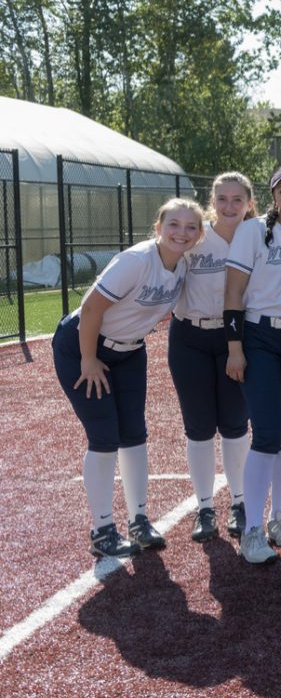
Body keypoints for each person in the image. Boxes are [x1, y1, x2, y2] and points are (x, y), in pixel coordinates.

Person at [54, 198, 204, 557]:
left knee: (134, 434)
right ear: (158, 228)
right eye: (173, 224)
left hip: (130, 352)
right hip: (82, 347)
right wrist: (89, 359)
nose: (181, 233)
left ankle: (139, 520)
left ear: (199, 235)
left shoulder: (183, 265)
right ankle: (102, 529)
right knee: (104, 437)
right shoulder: (136, 261)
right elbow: (91, 308)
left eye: (190, 227)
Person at [224, 164, 281, 564]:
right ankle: (252, 530)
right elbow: (233, 291)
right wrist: (234, 347)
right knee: (266, 433)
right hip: (259, 336)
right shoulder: (251, 230)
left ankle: (279, 517)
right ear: (273, 195)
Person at [169, 173, 255, 543]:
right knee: (199, 427)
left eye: (238, 199)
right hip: (189, 337)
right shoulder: (195, 235)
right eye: (222, 199)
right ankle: (205, 507)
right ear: (212, 201)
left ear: (250, 203)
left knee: (235, 425)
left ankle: (240, 503)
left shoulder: (259, 237)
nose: (230, 206)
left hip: (235, 337)